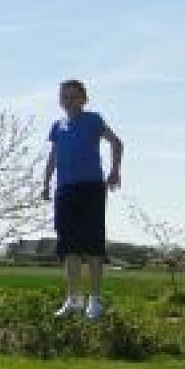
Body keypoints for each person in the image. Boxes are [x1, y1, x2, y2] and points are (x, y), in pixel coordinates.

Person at [41, 79, 123, 319]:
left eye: (74, 96)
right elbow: (53, 157)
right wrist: (45, 183)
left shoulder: (93, 120)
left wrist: (115, 171)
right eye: (64, 97)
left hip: (91, 187)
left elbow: (117, 142)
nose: (69, 101)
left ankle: (95, 300)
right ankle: (74, 299)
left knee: (93, 245)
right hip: (65, 189)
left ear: (83, 99)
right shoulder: (58, 126)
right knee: (69, 246)